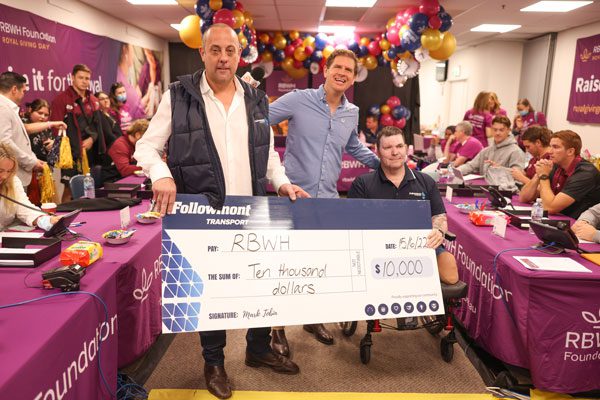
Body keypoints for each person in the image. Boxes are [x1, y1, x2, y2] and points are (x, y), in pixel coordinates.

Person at [133, 23, 307, 400]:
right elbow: (146, 148)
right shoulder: (177, 96)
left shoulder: (256, 99)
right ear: (203, 53)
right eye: (216, 50)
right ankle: (214, 363)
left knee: (260, 285)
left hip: (253, 211)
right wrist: (161, 175)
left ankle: (258, 350)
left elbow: (268, 154)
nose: (224, 58)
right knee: (211, 293)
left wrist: (282, 183)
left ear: (239, 54)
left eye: (231, 50)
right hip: (204, 213)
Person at [269, 48, 380, 349]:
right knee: (284, 267)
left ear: (354, 77)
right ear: (326, 69)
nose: (342, 73)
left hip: (327, 201)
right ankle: (276, 328)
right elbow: (259, 121)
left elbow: (354, 146)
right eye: (338, 67)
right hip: (292, 197)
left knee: (317, 265)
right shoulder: (298, 100)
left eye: (349, 70)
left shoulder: (351, 112)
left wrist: (386, 165)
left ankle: (312, 318)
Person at [348, 126, 459, 285]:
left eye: (399, 146)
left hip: (420, 245)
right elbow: (352, 222)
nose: (395, 152)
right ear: (378, 152)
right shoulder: (363, 183)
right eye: (387, 148)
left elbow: (439, 216)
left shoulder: (426, 182)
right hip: (377, 246)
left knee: (450, 274)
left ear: (406, 149)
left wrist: (438, 230)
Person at [50, 64, 119, 197]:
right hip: (71, 154)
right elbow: (55, 128)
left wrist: (92, 139)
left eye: (87, 78)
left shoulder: (93, 101)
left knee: (93, 188)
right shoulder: (61, 100)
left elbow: (98, 128)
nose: (84, 81)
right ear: (72, 78)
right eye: (80, 77)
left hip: (92, 154)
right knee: (69, 189)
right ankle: (64, 216)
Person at [519, 130, 600, 219]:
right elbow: (523, 198)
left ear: (570, 151)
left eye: (555, 147)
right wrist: (538, 174)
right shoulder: (556, 165)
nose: (550, 151)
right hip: (558, 220)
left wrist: (543, 176)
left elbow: (549, 208)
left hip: (579, 225)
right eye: (550, 146)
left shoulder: (585, 173)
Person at [0, 71, 46, 188]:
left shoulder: (7, 108)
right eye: (23, 91)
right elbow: (5, 143)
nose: (24, 95)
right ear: (14, 89)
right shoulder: (3, 108)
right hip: (10, 176)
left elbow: (18, 140)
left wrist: (34, 160)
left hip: (15, 175)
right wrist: (31, 162)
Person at [0, 143, 60, 230]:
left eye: (9, 171)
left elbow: (24, 208)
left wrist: (46, 220)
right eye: (0, 171)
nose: (5, 176)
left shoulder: (12, 181)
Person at [456, 115, 525, 177]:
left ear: (508, 130)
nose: (497, 133)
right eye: (495, 130)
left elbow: (518, 174)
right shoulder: (486, 150)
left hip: (504, 189)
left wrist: (499, 168)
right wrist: (455, 172)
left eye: (501, 130)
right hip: (485, 187)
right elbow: (471, 166)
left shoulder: (516, 151)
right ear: (491, 130)